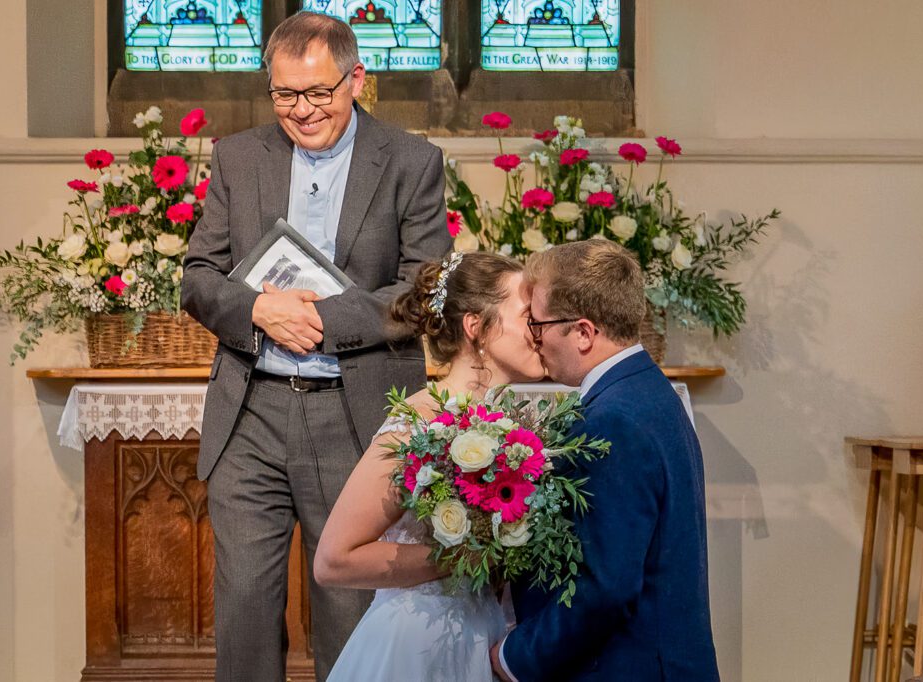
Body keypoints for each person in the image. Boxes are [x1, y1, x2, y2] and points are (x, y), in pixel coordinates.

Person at [180, 11, 452, 681]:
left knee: (352, 611)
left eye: (318, 93)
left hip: (356, 414)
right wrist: (260, 310)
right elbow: (197, 279)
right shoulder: (239, 157)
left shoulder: (411, 161)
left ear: (356, 80)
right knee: (243, 608)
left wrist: (324, 322)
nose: (301, 111)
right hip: (252, 411)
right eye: (284, 94)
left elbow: (428, 286)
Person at [491, 239, 720, 681]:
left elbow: (605, 587)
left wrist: (514, 657)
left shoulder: (612, 419)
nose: (534, 342)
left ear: (583, 332)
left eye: (538, 326)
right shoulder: (649, 391)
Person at [314, 252, 546, 681]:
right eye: (527, 315)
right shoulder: (416, 423)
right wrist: (465, 557)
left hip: (483, 635)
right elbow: (334, 560)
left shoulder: (512, 428)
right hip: (416, 644)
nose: (539, 330)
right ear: (476, 327)